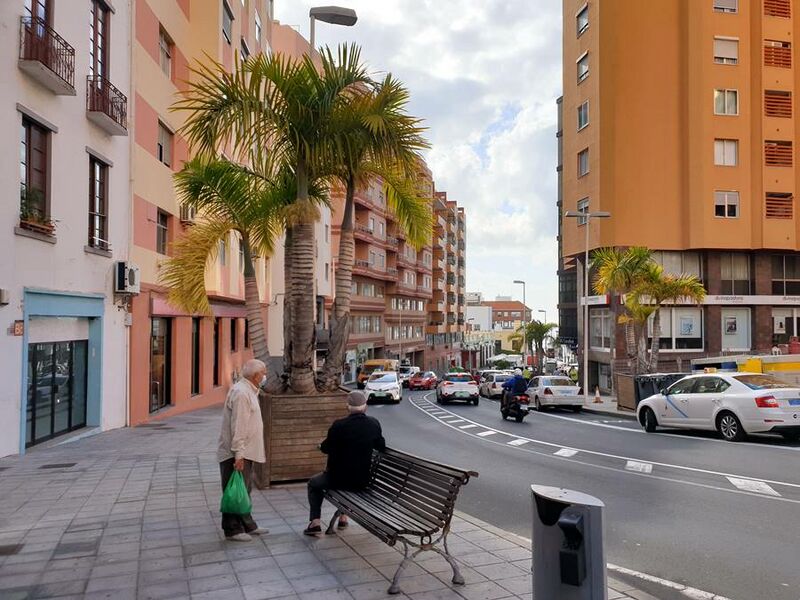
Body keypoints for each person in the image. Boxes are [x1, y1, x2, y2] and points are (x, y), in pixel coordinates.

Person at [304, 390, 386, 535]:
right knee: (349, 481)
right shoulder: (373, 424)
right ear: (365, 407)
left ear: (348, 407)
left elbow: (326, 448)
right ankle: (343, 518)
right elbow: (381, 446)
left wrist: (321, 446)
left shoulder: (338, 426)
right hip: (361, 481)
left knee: (313, 484)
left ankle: (315, 523)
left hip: (336, 480)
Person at [217, 359, 269, 542]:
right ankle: (232, 529)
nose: (265, 376)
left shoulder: (249, 390)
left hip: (246, 451)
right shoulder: (241, 393)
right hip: (237, 453)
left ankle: (248, 524)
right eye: (263, 373)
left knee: (244, 489)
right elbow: (238, 426)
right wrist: (238, 454)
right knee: (233, 491)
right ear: (255, 376)